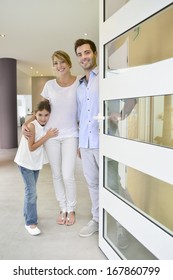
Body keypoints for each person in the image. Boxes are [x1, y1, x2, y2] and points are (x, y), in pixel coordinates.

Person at [74, 39, 136, 240]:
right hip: (86, 143)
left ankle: (122, 226)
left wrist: (120, 114)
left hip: (106, 141)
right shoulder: (80, 84)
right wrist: (79, 143)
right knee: (92, 184)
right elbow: (81, 115)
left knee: (113, 184)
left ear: (95, 53)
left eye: (87, 52)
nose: (84, 57)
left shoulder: (108, 75)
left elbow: (131, 98)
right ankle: (97, 219)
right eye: (80, 54)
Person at [22, 51, 79, 226]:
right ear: (53, 66)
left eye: (62, 62)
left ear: (69, 63)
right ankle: (62, 208)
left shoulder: (79, 83)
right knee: (56, 175)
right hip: (51, 135)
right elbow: (41, 108)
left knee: (67, 174)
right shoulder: (49, 85)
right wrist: (27, 122)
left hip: (71, 135)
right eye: (55, 63)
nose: (59, 66)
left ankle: (72, 209)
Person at [14, 100, 58, 236]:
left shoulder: (38, 123)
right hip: (26, 163)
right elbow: (31, 147)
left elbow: (35, 117)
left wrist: (28, 121)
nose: (43, 118)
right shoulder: (32, 126)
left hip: (34, 163)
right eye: (40, 115)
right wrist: (47, 136)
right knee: (31, 192)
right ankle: (30, 222)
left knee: (31, 191)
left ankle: (28, 214)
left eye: (46, 115)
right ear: (35, 114)